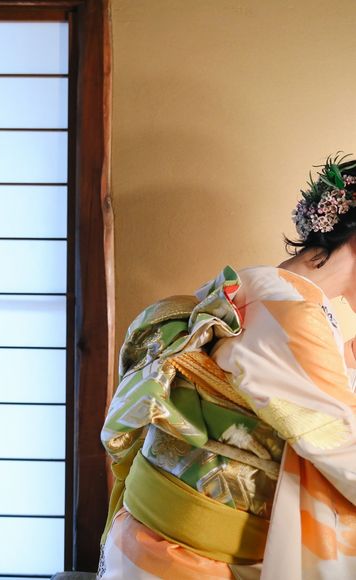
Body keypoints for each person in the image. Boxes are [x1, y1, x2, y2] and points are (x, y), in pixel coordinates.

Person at [98, 153, 356, 579]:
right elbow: (337, 441)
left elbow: (276, 388)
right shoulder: (294, 315)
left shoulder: (261, 285)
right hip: (187, 554)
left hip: (161, 537)